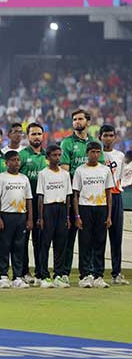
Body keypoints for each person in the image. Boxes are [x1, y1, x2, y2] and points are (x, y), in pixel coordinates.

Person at [60, 109, 102, 284]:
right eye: (74, 119)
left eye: (80, 119)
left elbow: (100, 170)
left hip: (91, 199)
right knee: (68, 237)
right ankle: (64, 272)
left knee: (89, 238)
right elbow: (64, 170)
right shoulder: (67, 143)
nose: (77, 122)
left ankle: (89, 273)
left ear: (88, 122)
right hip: (72, 196)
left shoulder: (95, 143)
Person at [72, 141, 114, 289]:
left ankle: (99, 276)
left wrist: (109, 216)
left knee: (100, 242)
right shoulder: (80, 170)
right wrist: (77, 216)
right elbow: (75, 195)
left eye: (98, 152)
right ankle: (85, 276)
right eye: (92, 152)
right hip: (85, 208)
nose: (95, 155)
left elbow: (109, 194)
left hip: (101, 208)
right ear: (87, 153)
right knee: (85, 243)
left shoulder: (105, 170)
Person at [0, 151, 33, 289]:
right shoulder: (1, 178)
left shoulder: (24, 179)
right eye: (13, 160)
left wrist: (29, 219)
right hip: (5, 215)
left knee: (19, 247)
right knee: (4, 246)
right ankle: (2, 275)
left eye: (18, 160)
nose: (16, 163)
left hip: (20, 216)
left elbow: (28, 199)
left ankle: (17, 276)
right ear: (6, 163)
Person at [36, 145, 72, 289]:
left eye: (59, 155)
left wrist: (68, 217)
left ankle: (58, 274)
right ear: (47, 157)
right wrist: (41, 217)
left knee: (60, 244)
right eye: (54, 155)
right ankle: (44, 276)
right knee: (45, 244)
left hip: (62, 209)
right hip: (48, 208)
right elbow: (40, 196)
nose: (57, 158)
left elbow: (68, 195)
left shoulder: (65, 174)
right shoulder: (43, 174)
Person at [18, 123, 48, 285]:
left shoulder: (47, 156)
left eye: (39, 134)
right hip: (26, 204)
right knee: (23, 240)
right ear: (28, 137)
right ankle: (24, 272)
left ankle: (40, 271)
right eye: (33, 134)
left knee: (41, 239)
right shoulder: (22, 155)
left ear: (43, 136)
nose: (36, 137)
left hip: (43, 204)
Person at [99, 125, 128, 285]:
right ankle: (98, 273)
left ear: (115, 137)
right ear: (100, 137)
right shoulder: (97, 154)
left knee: (116, 238)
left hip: (116, 197)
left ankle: (116, 273)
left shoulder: (120, 156)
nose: (108, 138)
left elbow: (121, 176)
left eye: (111, 135)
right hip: (100, 199)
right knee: (100, 238)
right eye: (105, 135)